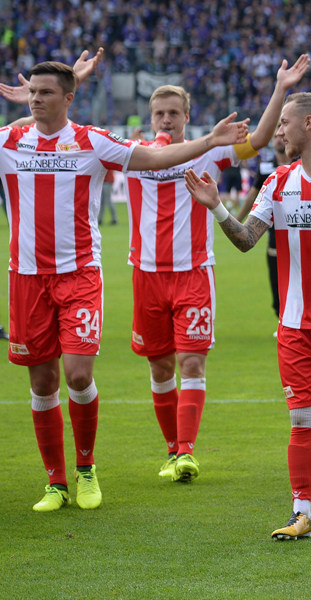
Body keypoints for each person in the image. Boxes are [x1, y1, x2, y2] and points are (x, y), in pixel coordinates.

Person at [0, 53, 249, 512]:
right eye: (32, 92)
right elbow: (30, 124)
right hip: (26, 279)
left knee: (78, 374)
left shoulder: (92, 141)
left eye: (45, 92)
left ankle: (86, 468)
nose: (34, 99)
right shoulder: (9, 141)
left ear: (68, 98)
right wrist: (33, 106)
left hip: (79, 275)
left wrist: (209, 141)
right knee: (42, 382)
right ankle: (55, 483)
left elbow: (154, 156)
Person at [185, 92, 311, 541]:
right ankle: (301, 512)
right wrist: (216, 206)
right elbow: (246, 239)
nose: (278, 132)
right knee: (301, 419)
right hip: (294, 325)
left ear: (309, 123)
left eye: (284, 123)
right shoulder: (277, 181)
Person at [123, 55, 308, 483]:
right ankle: (173, 449)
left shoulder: (210, 152)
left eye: (174, 113)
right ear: (150, 118)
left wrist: (280, 88)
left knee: (191, 363)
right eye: (159, 113)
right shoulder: (133, 154)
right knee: (160, 368)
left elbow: (260, 138)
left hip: (193, 274)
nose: (166, 119)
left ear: (187, 117)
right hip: (145, 276)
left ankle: (187, 451)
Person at [237, 137, 294, 332]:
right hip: (274, 235)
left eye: (282, 134)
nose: (279, 138)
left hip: (298, 232)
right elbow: (253, 195)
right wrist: (238, 220)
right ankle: (282, 319)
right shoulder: (266, 168)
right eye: (275, 135)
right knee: (276, 282)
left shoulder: (302, 165)